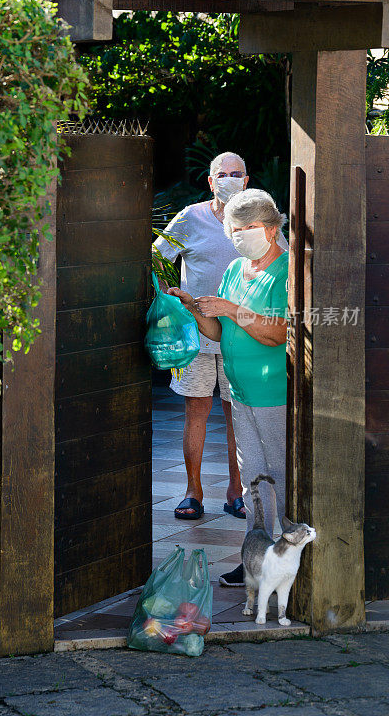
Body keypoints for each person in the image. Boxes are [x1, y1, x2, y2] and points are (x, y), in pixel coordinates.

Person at [167, 188, 289, 587]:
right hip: (239, 391)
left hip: (273, 392)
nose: (240, 236)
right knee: (253, 479)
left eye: (249, 228)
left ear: (272, 230)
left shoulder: (287, 270)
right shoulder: (236, 269)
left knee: (279, 478)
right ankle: (256, 560)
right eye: (234, 229)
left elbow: (279, 333)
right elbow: (219, 332)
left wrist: (231, 308)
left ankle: (286, 559)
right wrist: (194, 308)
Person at [153, 152, 250, 520]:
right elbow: (157, 259)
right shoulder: (190, 217)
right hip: (194, 335)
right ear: (210, 181)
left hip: (241, 334)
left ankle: (236, 492)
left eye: (235, 173)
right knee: (196, 409)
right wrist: (171, 304)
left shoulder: (257, 216)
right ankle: (192, 492)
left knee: (236, 412)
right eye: (221, 174)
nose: (228, 178)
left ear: (246, 179)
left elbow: (281, 263)